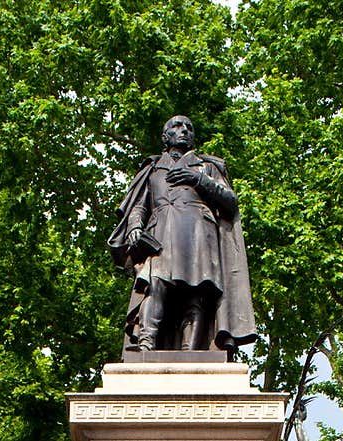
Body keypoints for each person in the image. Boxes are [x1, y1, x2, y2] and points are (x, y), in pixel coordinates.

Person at [108, 114, 256, 354]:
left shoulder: (207, 166)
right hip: (160, 237)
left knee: (196, 292)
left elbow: (230, 201)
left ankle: (191, 352)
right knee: (154, 285)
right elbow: (139, 206)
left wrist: (198, 179)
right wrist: (135, 226)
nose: (184, 130)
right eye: (177, 126)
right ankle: (146, 345)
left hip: (198, 235)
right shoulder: (153, 168)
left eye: (189, 127)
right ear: (165, 136)